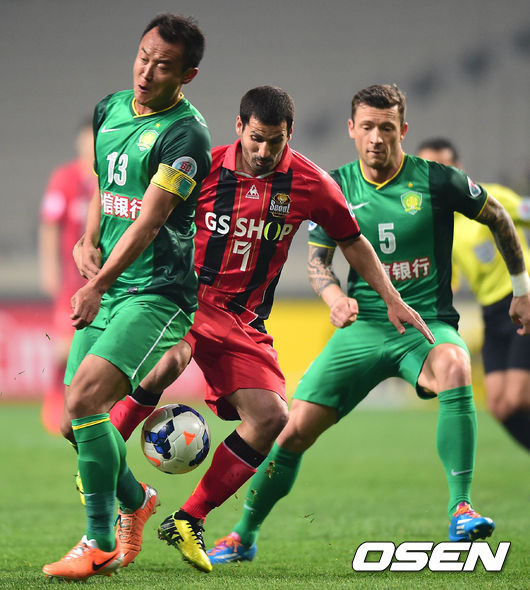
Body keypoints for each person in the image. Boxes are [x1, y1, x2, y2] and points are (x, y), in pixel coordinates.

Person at [108, 85, 434, 573]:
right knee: (168, 361)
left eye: (274, 141)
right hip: (186, 298)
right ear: (239, 127)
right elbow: (143, 212)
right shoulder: (200, 166)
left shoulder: (310, 182)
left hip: (242, 320)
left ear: (290, 134)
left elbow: (352, 240)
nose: (263, 151)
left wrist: (392, 298)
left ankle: (189, 519)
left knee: (271, 418)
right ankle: (102, 457)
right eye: (256, 138)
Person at [205, 84, 530, 565]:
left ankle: (461, 508)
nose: (377, 137)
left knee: (456, 365)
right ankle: (243, 534)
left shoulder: (436, 180)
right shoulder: (334, 186)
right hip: (363, 329)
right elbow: (319, 262)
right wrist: (335, 297)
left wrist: (521, 288)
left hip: (424, 324)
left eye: (387, 127)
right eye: (368, 127)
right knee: (291, 431)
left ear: (403, 129)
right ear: (351, 129)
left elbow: (499, 216)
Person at [42, 13, 211, 582]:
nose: (146, 72)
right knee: (75, 422)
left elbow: (150, 219)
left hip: (155, 290)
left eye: (163, 66)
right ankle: (138, 501)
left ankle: (98, 542)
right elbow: (106, 185)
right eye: (143, 57)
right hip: (111, 283)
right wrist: (88, 239)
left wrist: (97, 284)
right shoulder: (109, 109)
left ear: (186, 75)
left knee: (85, 399)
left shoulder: (186, 136)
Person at [416, 138, 530, 450]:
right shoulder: (440, 224)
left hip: (522, 300)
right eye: (429, 170)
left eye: (443, 168)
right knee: (499, 405)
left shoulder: (492, 198)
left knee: (519, 397)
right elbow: (448, 280)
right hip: (492, 312)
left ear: (460, 170)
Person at [39, 118, 97, 435]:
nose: (90, 146)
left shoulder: (111, 179)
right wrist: (49, 267)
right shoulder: (65, 178)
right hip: (72, 282)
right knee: (63, 348)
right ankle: (54, 398)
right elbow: (50, 224)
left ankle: (91, 406)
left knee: (95, 351)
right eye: (86, 140)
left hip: (102, 280)